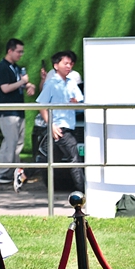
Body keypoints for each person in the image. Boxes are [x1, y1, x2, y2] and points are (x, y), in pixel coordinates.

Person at [35, 51, 85, 192]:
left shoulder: (71, 83)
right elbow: (42, 105)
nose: (69, 66)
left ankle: (24, 172)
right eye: (65, 63)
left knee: (50, 158)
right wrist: (51, 124)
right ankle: (84, 192)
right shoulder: (51, 84)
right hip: (59, 127)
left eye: (71, 63)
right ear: (56, 66)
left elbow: (80, 102)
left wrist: (76, 103)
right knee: (74, 159)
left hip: (69, 126)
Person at [0, 38, 36, 187]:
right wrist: (23, 82)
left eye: (22, 52)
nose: (21, 54)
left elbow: (18, 84)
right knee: (10, 143)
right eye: (18, 51)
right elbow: (5, 88)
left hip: (17, 110)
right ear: (10, 51)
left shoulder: (15, 68)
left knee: (17, 143)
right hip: (7, 112)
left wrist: (29, 85)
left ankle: (13, 173)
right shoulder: (2, 67)